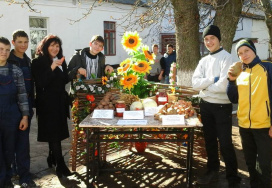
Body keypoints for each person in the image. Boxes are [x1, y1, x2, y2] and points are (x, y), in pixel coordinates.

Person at [192, 25, 240, 187]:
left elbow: (223, 87)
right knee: (210, 141)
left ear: (219, 39)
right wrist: (212, 80)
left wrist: (204, 87)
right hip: (205, 106)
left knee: (225, 143)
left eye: (212, 38)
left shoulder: (228, 58)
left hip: (221, 108)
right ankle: (212, 170)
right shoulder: (204, 60)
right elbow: (194, 83)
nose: (209, 41)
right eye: (206, 39)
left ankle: (233, 177)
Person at [227, 39, 272, 188]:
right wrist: (231, 81)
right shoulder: (240, 73)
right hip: (244, 126)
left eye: (246, 50)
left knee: (264, 165)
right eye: (240, 53)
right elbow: (233, 98)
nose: (244, 55)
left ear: (253, 50)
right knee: (250, 163)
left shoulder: (267, 68)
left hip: (264, 126)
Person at [31, 34, 72, 179]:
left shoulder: (60, 60)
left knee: (56, 133)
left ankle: (52, 157)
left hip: (59, 102)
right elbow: (41, 83)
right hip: (47, 104)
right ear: (45, 46)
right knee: (54, 134)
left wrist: (74, 71)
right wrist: (52, 67)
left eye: (57, 46)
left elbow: (65, 79)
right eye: (52, 45)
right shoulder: (37, 62)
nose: (55, 48)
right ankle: (60, 164)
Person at [8, 30, 36, 188]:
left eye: (25, 42)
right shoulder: (7, 60)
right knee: (9, 143)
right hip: (11, 108)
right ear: (13, 43)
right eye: (20, 42)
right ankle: (11, 172)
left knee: (23, 143)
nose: (23, 45)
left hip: (26, 107)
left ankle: (24, 175)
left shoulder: (27, 60)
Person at [0, 37, 29, 188]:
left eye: (6, 49)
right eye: (0, 49)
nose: (4, 53)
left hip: (12, 116)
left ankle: (7, 181)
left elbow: (22, 95)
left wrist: (25, 116)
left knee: (9, 151)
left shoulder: (15, 70)